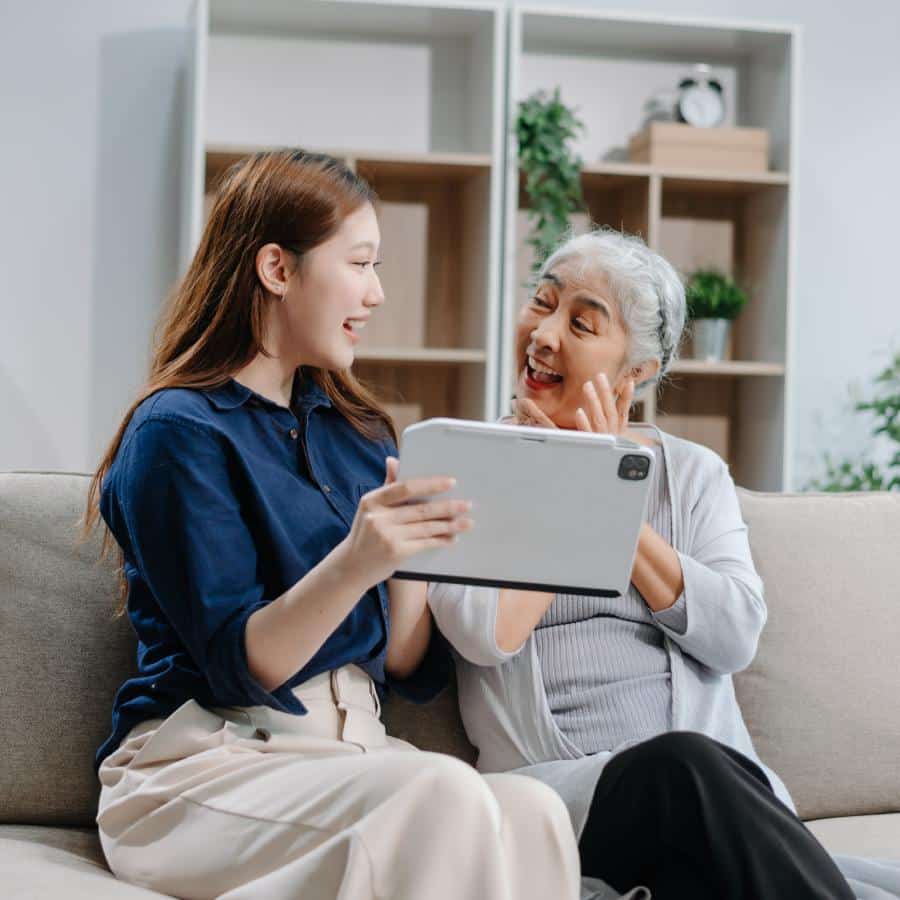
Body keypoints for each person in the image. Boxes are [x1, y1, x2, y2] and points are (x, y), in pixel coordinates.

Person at [83, 149, 580, 900]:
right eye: (360, 263)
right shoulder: (178, 432)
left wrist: (410, 556)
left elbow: (406, 664)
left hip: (352, 751)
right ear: (277, 269)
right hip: (206, 767)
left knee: (534, 810)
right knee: (440, 795)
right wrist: (359, 559)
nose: (377, 293)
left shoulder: (362, 433)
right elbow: (241, 668)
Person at [427, 228, 857, 900]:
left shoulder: (691, 476)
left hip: (714, 793)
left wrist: (613, 490)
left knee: (694, 777)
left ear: (638, 371)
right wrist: (581, 486)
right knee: (680, 768)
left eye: (580, 322)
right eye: (541, 304)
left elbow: (735, 634)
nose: (544, 335)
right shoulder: (466, 468)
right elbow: (484, 633)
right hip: (562, 804)